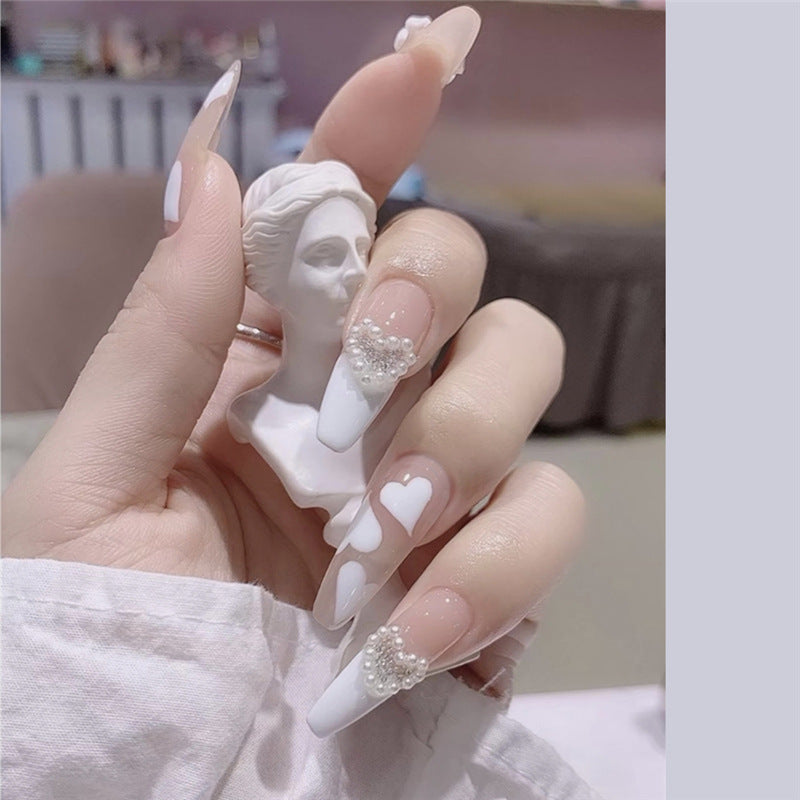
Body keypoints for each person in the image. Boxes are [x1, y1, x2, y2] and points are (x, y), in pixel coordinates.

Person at [2, 7, 595, 798]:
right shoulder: (247, 431)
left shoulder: (385, 435)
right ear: (272, 276)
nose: (351, 273)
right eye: (323, 256)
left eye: (359, 250)